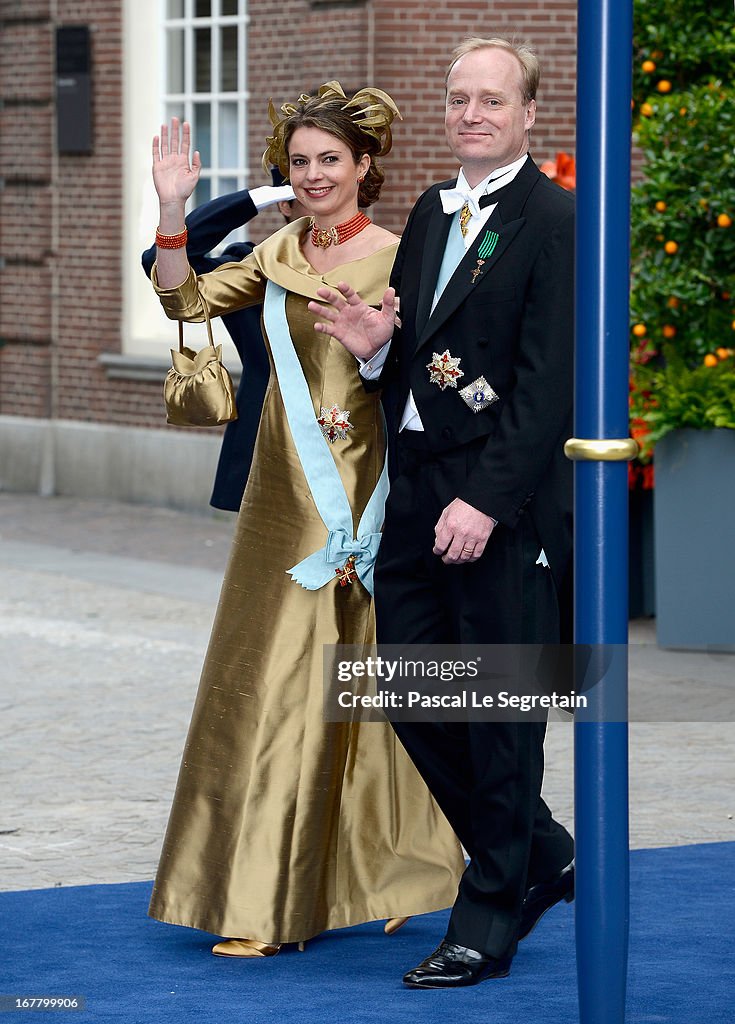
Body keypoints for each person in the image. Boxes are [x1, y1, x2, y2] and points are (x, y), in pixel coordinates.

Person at [147, 82, 465, 958]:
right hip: (276, 495)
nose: (315, 174)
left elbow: (435, 376)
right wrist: (174, 209)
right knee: (284, 675)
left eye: (331, 159)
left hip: (359, 493)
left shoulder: (404, 256)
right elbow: (185, 302)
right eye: (300, 161)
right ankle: (378, 871)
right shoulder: (278, 247)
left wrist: (380, 354)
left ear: (365, 168)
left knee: (331, 677)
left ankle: (285, 901)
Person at [308, 38, 575, 987]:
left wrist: (486, 501)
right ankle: (540, 854)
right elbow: (423, 350)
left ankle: (490, 912)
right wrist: (380, 347)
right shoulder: (428, 209)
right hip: (418, 492)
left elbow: (550, 393)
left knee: (499, 714)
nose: (471, 112)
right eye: (458, 97)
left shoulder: (552, 220)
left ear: (528, 113)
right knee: (418, 698)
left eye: (491, 100)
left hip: (496, 508)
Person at [141, 174, 306, 512]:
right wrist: (258, 198)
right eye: (305, 185)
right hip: (263, 435)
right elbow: (156, 262)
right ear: (286, 203)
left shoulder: (372, 259)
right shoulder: (250, 266)